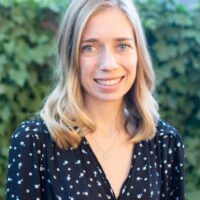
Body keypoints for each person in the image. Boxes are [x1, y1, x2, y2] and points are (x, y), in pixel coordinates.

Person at [6, 0, 184, 199]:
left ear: (139, 54)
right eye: (89, 48)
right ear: (70, 56)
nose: (108, 64)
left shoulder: (165, 141)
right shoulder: (33, 141)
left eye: (123, 46)